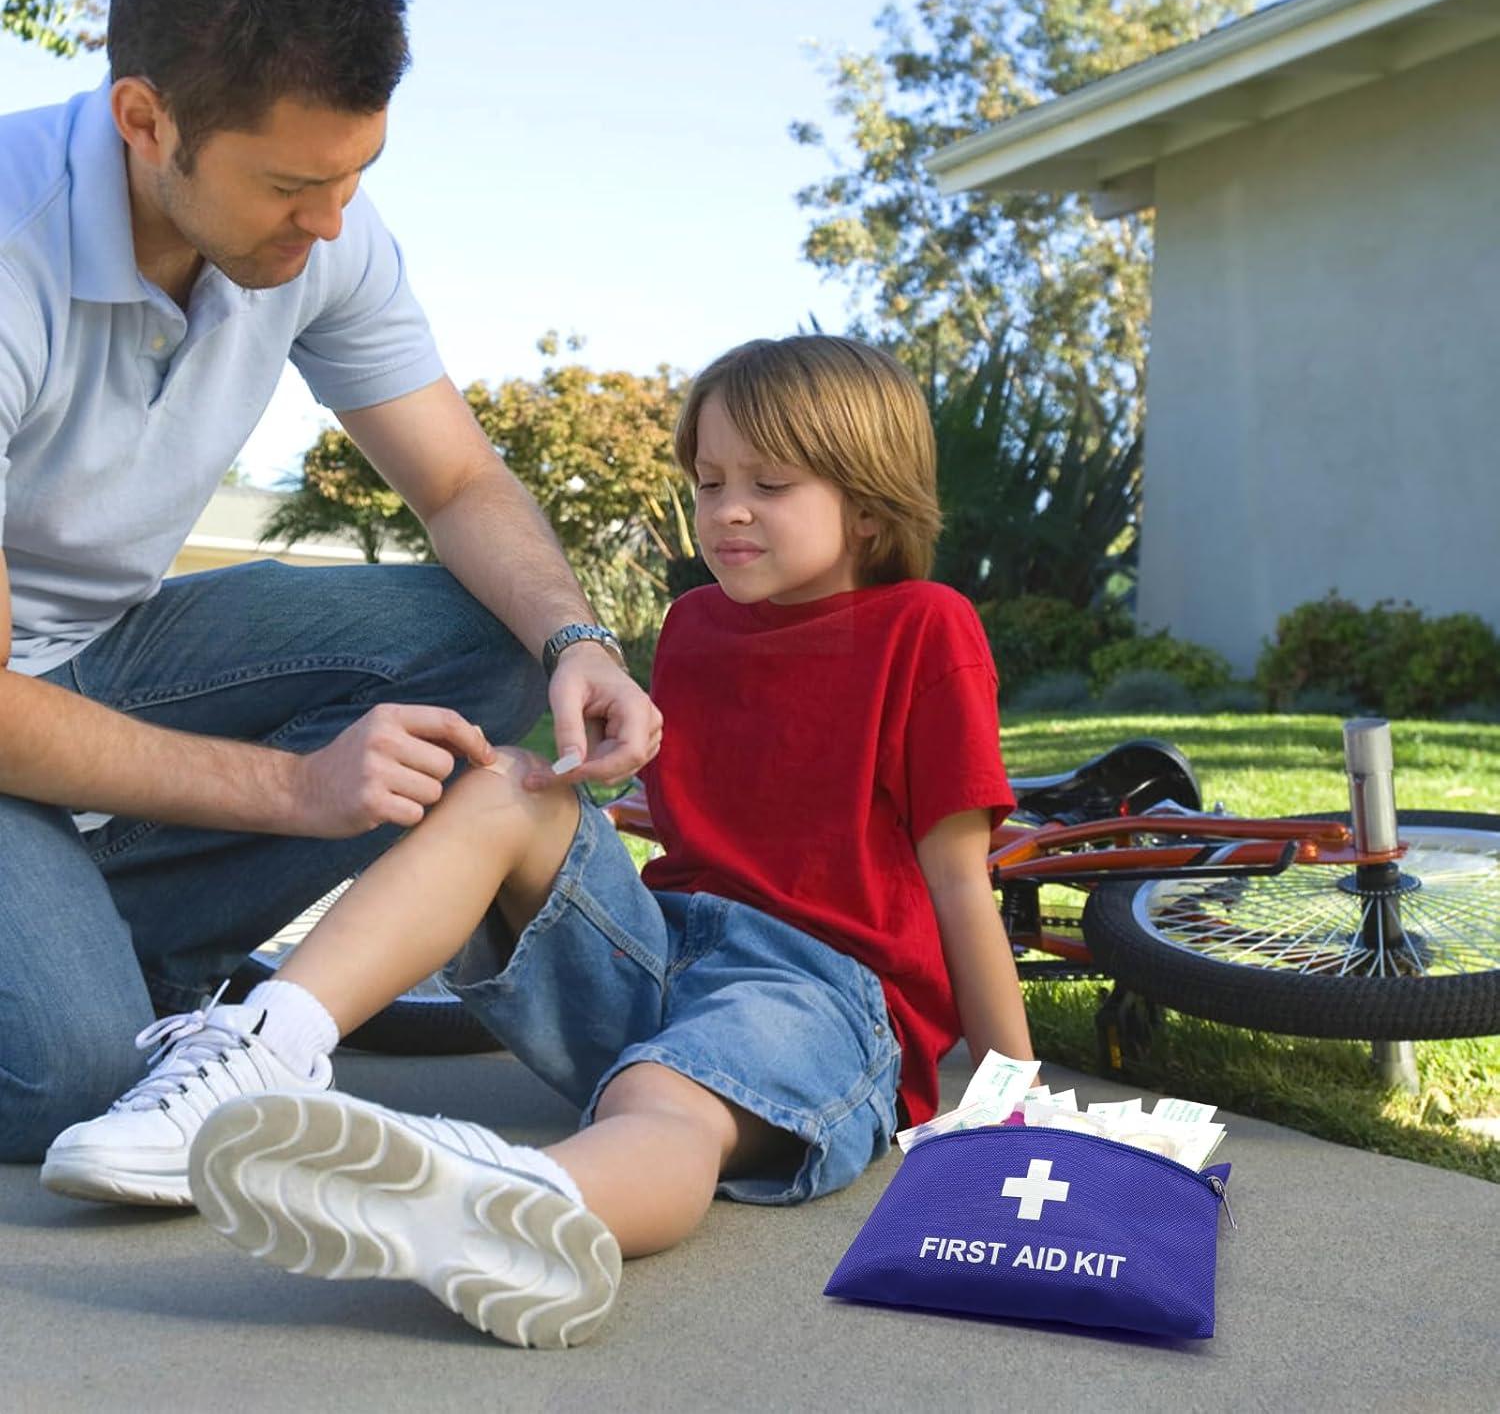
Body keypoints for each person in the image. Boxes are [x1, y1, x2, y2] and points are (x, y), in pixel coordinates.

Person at [44, 334, 1034, 1349]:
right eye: (709, 480)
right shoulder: (692, 628)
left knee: (666, 1100)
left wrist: (1016, 1100)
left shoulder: (927, 626)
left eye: (770, 484)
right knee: (502, 782)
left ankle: (526, 1204)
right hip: (664, 954)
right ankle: (268, 1046)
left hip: (823, 996)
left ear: (869, 506)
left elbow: (959, 884)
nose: (728, 509)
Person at [0, 0, 659, 1164]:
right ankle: (77, 983)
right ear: (144, 121)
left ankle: (103, 944)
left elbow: (460, 480)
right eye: (294, 187)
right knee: (61, 1081)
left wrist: (579, 641)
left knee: (491, 641)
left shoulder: (320, 236)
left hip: (103, 652)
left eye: (355, 174)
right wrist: (299, 792)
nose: (332, 224)